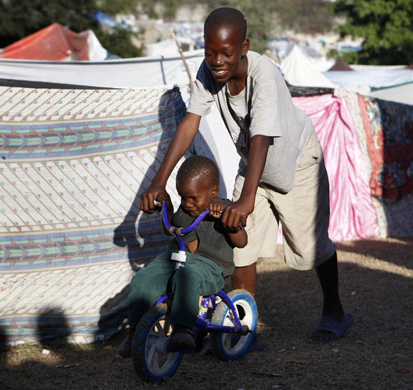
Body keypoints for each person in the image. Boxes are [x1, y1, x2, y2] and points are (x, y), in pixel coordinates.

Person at [141, 7, 353, 342]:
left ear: (244, 47)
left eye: (226, 53)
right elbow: (189, 123)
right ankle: (242, 328)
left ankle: (334, 310)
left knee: (311, 246)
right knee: (237, 240)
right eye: (210, 52)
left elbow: (262, 137)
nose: (217, 61)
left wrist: (247, 198)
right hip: (252, 163)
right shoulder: (208, 71)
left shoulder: (263, 75)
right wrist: (158, 182)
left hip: (295, 162)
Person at [118, 155, 247, 357]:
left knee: (188, 277)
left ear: (213, 192)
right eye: (182, 197)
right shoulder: (185, 210)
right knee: (143, 279)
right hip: (176, 259)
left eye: (193, 198)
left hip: (209, 267)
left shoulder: (225, 208)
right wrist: (168, 207)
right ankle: (134, 331)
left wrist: (225, 218)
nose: (187, 203)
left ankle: (183, 329)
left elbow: (242, 241)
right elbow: (171, 230)